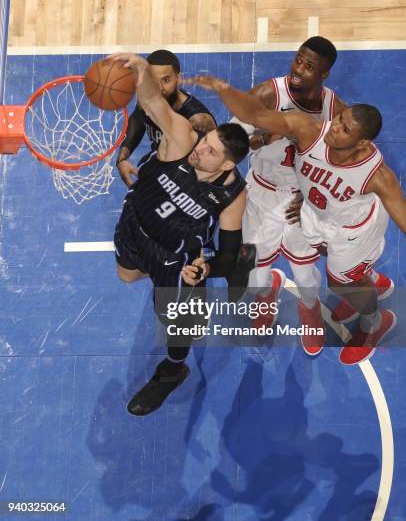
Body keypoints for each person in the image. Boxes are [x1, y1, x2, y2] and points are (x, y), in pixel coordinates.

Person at [187, 74, 406, 365]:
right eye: (339, 120)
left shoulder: (377, 175)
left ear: (362, 143)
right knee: (278, 268)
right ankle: (369, 281)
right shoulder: (311, 130)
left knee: (339, 283)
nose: (334, 127)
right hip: (315, 215)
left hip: (352, 229)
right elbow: (257, 114)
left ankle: (375, 324)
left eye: (344, 129)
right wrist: (222, 88)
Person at [229, 37, 393, 356]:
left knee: (305, 273)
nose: (299, 70)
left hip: (301, 202)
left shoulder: (336, 112)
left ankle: (310, 311)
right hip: (261, 194)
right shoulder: (268, 94)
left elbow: (357, 156)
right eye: (298, 60)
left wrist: (313, 193)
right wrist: (262, 138)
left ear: (324, 74)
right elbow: (232, 141)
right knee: (256, 273)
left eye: (310, 66)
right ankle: (266, 297)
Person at [110, 52, 250, 415]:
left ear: (227, 164)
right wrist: (142, 70)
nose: (201, 149)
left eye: (211, 151)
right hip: (135, 226)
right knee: (126, 277)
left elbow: (229, 252)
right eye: (207, 141)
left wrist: (204, 270)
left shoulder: (233, 195)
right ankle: (176, 289)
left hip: (176, 255)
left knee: (180, 323)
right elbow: (152, 102)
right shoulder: (181, 140)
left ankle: (171, 371)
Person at [115, 49, 216, 187]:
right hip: (161, 167)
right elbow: (138, 118)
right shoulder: (147, 97)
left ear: (178, 78)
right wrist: (122, 159)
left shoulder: (198, 120)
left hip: (186, 184)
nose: (160, 88)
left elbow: (213, 165)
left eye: (166, 80)